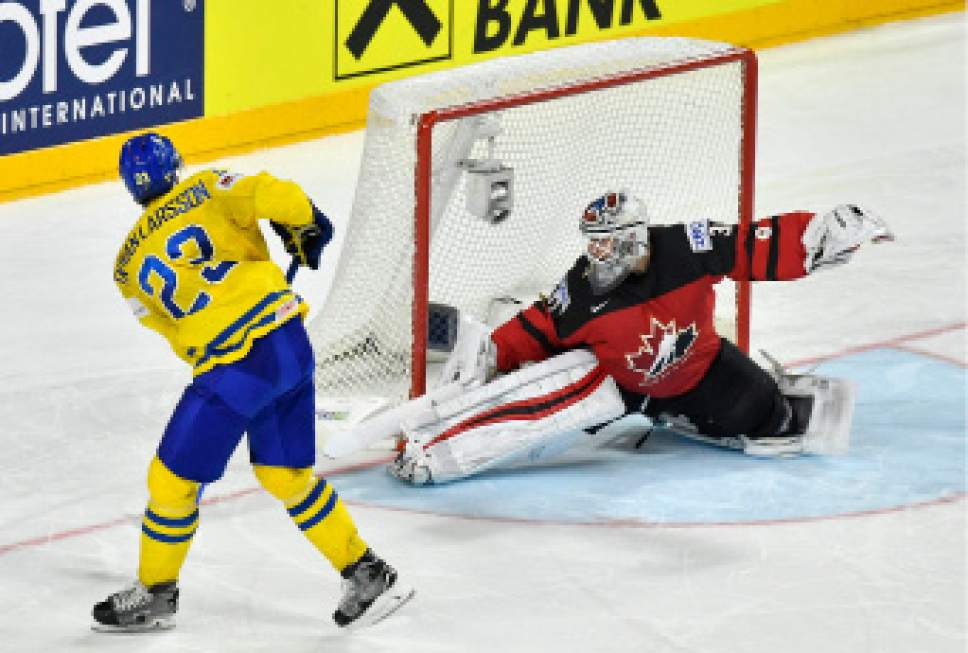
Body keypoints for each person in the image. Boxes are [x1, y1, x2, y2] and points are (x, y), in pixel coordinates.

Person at [92, 132, 414, 631]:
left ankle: (157, 592)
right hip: (289, 345)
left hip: (234, 368)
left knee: (170, 482)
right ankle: (366, 571)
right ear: (174, 165)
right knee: (285, 476)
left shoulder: (125, 268)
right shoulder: (206, 186)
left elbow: (166, 328)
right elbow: (282, 196)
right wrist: (303, 224)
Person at [385, 190, 893, 484]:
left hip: (699, 365)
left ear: (633, 237)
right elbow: (539, 326)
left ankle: (663, 412)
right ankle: (436, 456)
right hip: (610, 383)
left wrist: (818, 238)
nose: (597, 254)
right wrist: (494, 354)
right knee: (535, 416)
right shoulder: (581, 289)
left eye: (606, 243)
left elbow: (750, 245)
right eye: (592, 243)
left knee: (768, 416)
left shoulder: (686, 247)